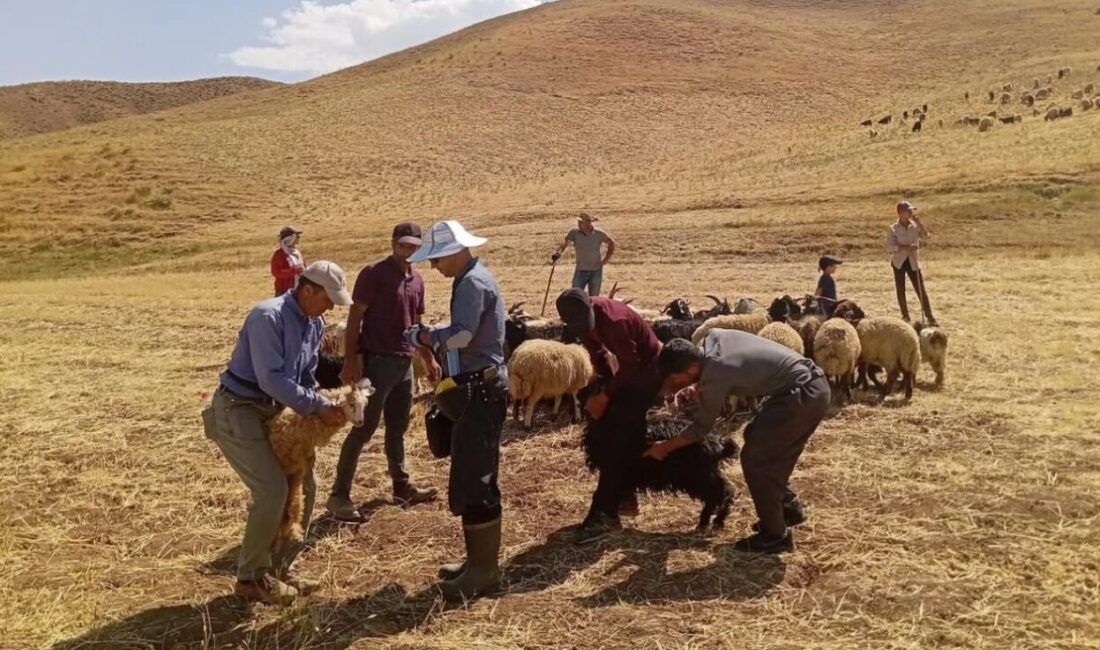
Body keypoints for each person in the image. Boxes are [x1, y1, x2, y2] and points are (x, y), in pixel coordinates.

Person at [207, 261, 352, 604]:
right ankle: (251, 578)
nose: (331, 308)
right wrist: (318, 405)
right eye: (327, 299)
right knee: (272, 489)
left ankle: (280, 569)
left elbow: (305, 376)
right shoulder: (267, 317)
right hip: (239, 408)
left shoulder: (314, 323)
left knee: (305, 485)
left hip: (276, 411)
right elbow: (272, 378)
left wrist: (321, 405)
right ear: (307, 290)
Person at [645, 332, 830, 554]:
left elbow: (700, 429)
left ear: (692, 369)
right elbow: (733, 370)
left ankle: (776, 535)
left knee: (757, 461)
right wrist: (698, 386)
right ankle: (788, 508)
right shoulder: (711, 339)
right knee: (755, 437)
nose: (676, 386)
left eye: (676, 380)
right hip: (800, 386)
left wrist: (663, 447)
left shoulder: (715, 373)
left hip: (803, 394)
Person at [407, 220, 508, 600]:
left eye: (436, 259)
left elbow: (463, 335)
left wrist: (425, 336)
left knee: (476, 476)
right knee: (472, 472)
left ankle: (484, 570)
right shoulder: (472, 278)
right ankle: (477, 561)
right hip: (480, 387)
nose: (434, 266)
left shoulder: (471, 283)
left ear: (454, 252)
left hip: (479, 390)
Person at [327, 223, 441, 521]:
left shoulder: (417, 280)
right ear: (393, 244)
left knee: (398, 427)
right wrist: (350, 360)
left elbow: (416, 325)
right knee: (363, 429)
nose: (408, 251)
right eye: (403, 245)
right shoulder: (373, 274)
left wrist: (428, 358)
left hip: (404, 364)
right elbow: (355, 317)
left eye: (414, 246)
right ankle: (339, 495)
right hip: (376, 362)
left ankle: (402, 486)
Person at [555, 288, 662, 536]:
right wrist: (604, 384)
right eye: (578, 326)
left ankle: (608, 511)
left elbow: (632, 364)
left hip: (648, 371)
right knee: (613, 433)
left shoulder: (615, 321)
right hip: (628, 372)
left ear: (590, 307)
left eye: (586, 323)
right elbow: (599, 353)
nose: (584, 329)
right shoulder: (582, 321)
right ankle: (624, 496)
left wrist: (605, 396)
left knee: (619, 438)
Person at [888, 201, 937, 325]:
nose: (911, 213)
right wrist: (906, 248)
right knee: (901, 290)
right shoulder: (893, 228)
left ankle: (930, 317)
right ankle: (905, 316)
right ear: (900, 213)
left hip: (913, 261)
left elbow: (926, 237)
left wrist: (920, 223)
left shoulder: (915, 226)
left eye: (911, 211)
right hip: (899, 262)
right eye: (908, 211)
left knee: (920, 289)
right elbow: (890, 247)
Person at [550, 212, 616, 296]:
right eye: (579, 222)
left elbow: (611, 243)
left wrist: (605, 260)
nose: (578, 224)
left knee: (594, 297)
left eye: (581, 222)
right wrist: (558, 253)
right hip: (581, 270)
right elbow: (565, 243)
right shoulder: (574, 233)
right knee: (575, 296)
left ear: (588, 223)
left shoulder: (598, 234)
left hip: (596, 271)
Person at [271, 226, 306, 297]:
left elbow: (304, 267)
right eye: (297, 236)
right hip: (283, 292)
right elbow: (277, 273)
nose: (299, 238)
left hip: (298, 290)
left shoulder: (297, 252)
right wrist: (295, 270)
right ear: (290, 238)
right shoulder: (279, 254)